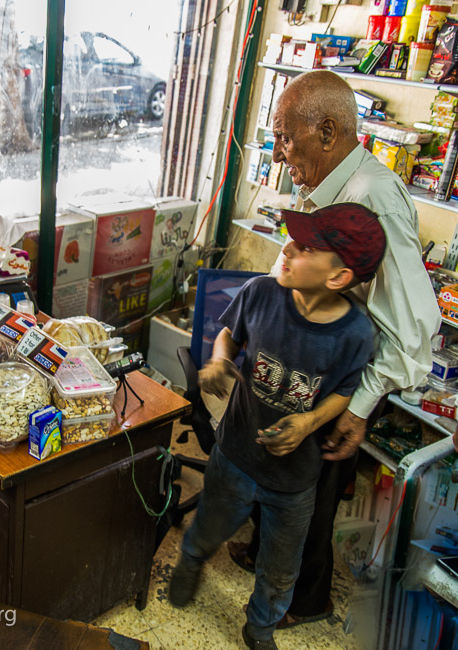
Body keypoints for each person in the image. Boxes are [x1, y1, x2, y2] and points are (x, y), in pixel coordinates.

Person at [225, 69, 441, 627]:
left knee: (312, 491)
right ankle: (267, 556)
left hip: (337, 374)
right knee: (277, 466)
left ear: (327, 131)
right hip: (299, 357)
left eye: (286, 137)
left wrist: (361, 406)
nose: (279, 151)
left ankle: (306, 598)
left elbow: (413, 324)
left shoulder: (374, 197)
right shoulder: (325, 185)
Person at [169, 203, 384, 650]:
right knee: (210, 524)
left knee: (281, 565)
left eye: (305, 248)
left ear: (338, 277)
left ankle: (261, 626)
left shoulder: (356, 335)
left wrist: (308, 422)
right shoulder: (261, 292)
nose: (287, 247)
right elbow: (231, 332)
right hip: (236, 455)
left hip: (295, 478)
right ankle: (190, 562)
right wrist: (219, 359)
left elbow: (346, 391)